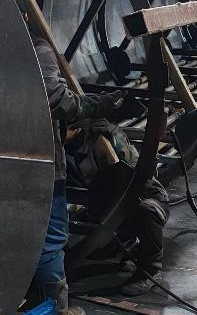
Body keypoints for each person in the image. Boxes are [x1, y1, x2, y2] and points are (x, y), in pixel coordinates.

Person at [31, 33, 124, 315]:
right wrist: (95, 105)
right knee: (51, 238)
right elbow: (56, 99)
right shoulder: (35, 47)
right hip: (39, 161)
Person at [66, 120, 169, 296]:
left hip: (142, 197)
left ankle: (151, 269)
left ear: (74, 128)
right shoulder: (61, 146)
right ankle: (123, 245)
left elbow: (133, 178)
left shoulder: (104, 138)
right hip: (103, 204)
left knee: (145, 211)